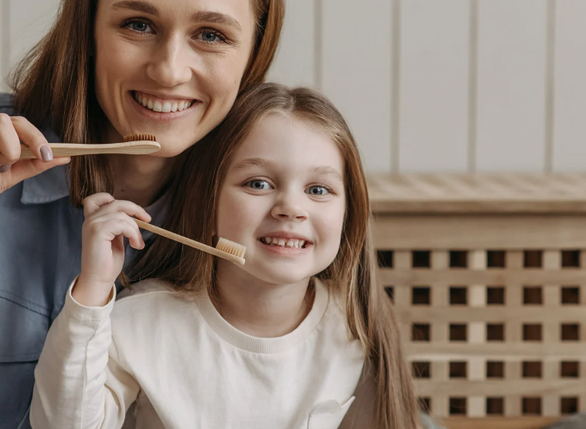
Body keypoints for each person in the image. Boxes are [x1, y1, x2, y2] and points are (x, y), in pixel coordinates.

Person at [0, 0, 284, 428]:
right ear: (86, 29)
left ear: (253, 54)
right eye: (138, 24)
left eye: (211, 34)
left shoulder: (272, 223)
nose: (168, 70)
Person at [30, 83, 422, 429]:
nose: (291, 207)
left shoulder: (356, 327)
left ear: (348, 213)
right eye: (258, 183)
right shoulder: (140, 322)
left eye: (318, 190)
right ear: (208, 198)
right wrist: (94, 288)